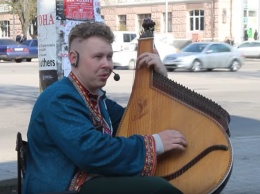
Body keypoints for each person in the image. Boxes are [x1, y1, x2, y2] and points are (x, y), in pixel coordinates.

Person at [23, 22, 187, 194]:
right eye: (98, 57)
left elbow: (138, 122)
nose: (107, 64)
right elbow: (91, 152)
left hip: (90, 180)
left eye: (109, 57)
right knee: (159, 189)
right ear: (73, 58)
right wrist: (155, 143)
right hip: (63, 187)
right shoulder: (60, 98)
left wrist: (160, 79)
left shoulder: (95, 97)